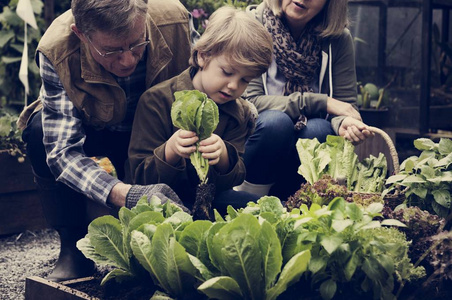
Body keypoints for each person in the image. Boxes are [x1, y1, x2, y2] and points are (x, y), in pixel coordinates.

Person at [17, 0, 195, 282]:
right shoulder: (56, 49)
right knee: (40, 131)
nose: (128, 60)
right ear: (80, 33)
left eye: (137, 44)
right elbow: (62, 152)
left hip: (157, 136)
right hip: (98, 132)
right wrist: (124, 194)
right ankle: (73, 245)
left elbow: (201, 84)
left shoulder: (175, 19)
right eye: (111, 50)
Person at [127, 6, 273, 215]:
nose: (233, 86)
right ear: (203, 56)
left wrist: (224, 156)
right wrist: (169, 151)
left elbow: (236, 176)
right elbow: (138, 178)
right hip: (158, 204)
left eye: (244, 80)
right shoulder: (156, 101)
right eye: (227, 72)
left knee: (262, 209)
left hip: (209, 200)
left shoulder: (238, 111)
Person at [234, 0, 374, 200]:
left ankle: (300, 201)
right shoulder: (253, 27)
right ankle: (248, 202)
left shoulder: (338, 39)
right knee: (276, 122)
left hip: (304, 150)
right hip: (259, 141)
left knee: (319, 130)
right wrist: (321, 101)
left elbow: (344, 106)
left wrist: (344, 122)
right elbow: (250, 102)